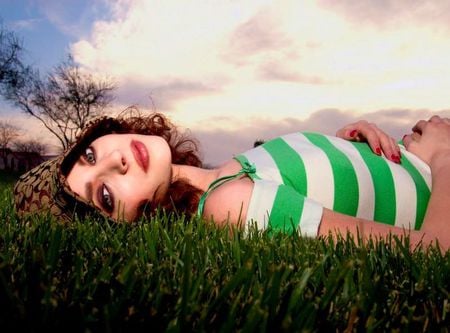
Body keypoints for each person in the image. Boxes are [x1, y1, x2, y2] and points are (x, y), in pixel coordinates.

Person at [13, 109, 450, 250]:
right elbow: (435, 251)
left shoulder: (231, 170)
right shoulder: (227, 205)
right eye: (104, 195)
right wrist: (443, 156)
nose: (114, 161)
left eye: (90, 153)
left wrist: (346, 146)